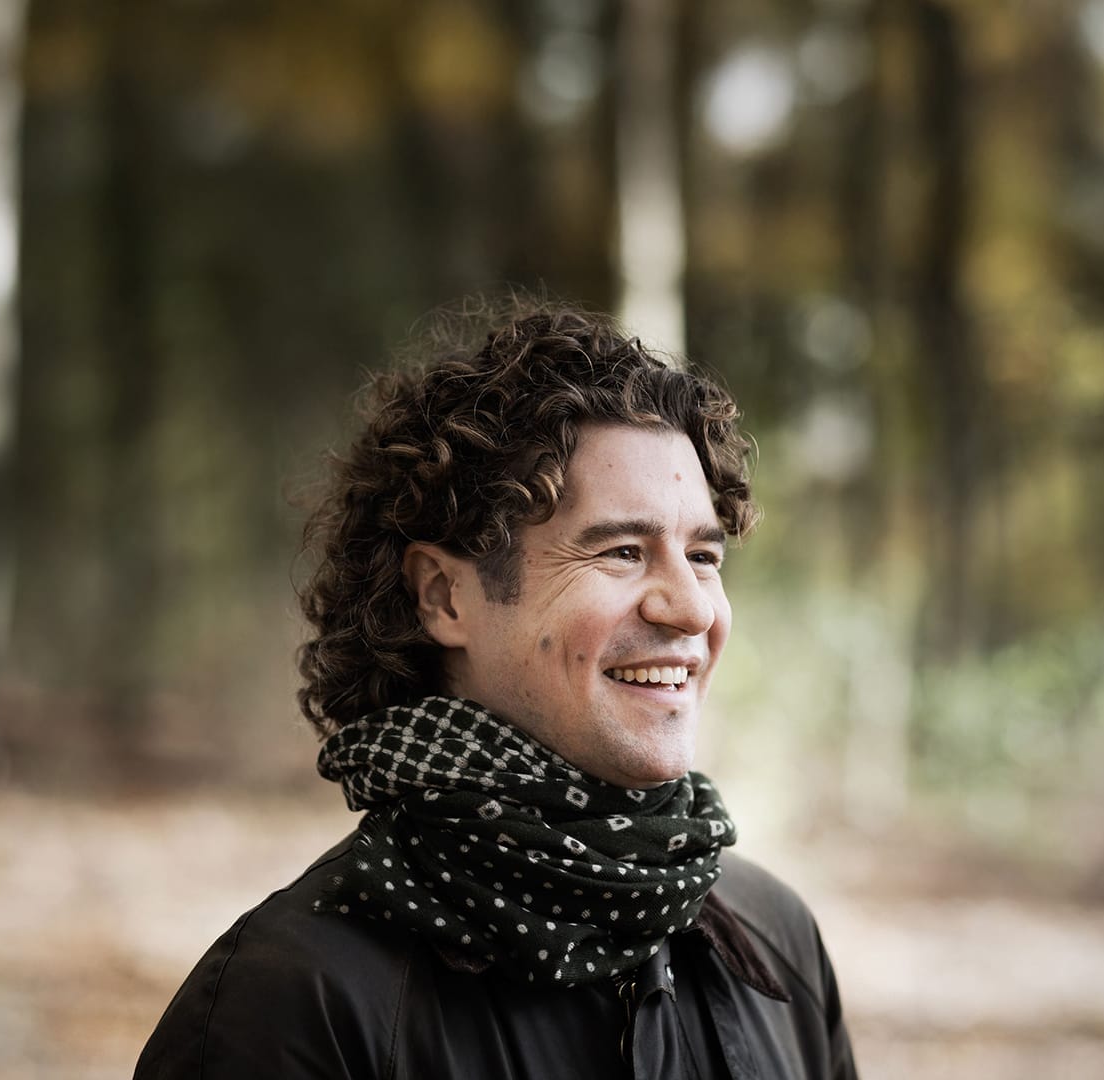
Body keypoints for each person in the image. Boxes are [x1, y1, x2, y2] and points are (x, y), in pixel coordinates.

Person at [134, 302, 858, 1079]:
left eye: (704, 557)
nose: (690, 608)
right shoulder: (293, 1005)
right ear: (445, 597)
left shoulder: (777, 942)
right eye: (620, 551)